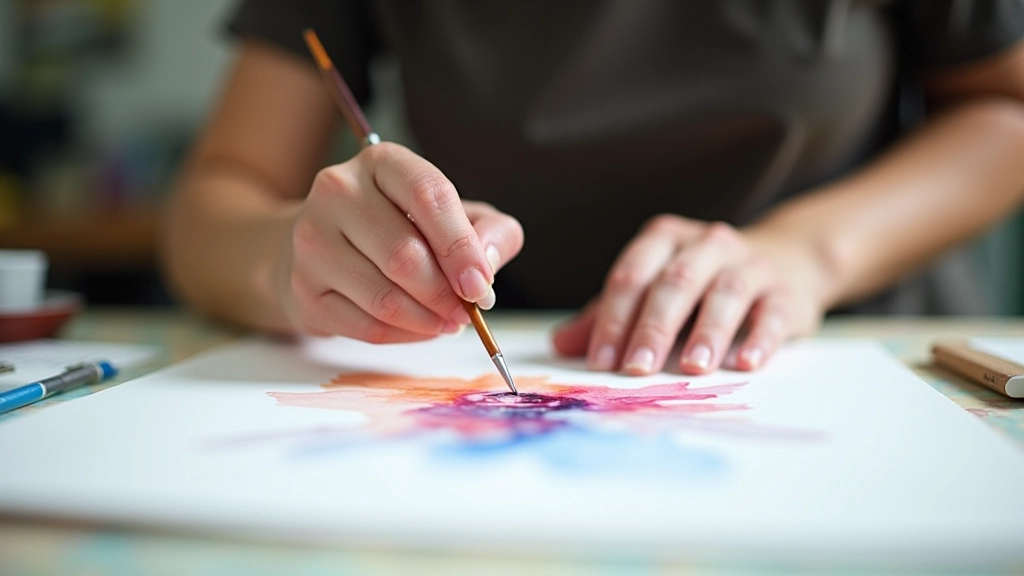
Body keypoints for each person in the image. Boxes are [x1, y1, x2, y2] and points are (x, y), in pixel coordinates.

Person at [164, 0, 1024, 376]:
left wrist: (810, 253)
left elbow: (1006, 108)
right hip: (484, 351)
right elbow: (218, 197)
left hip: (845, 354)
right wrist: (290, 260)